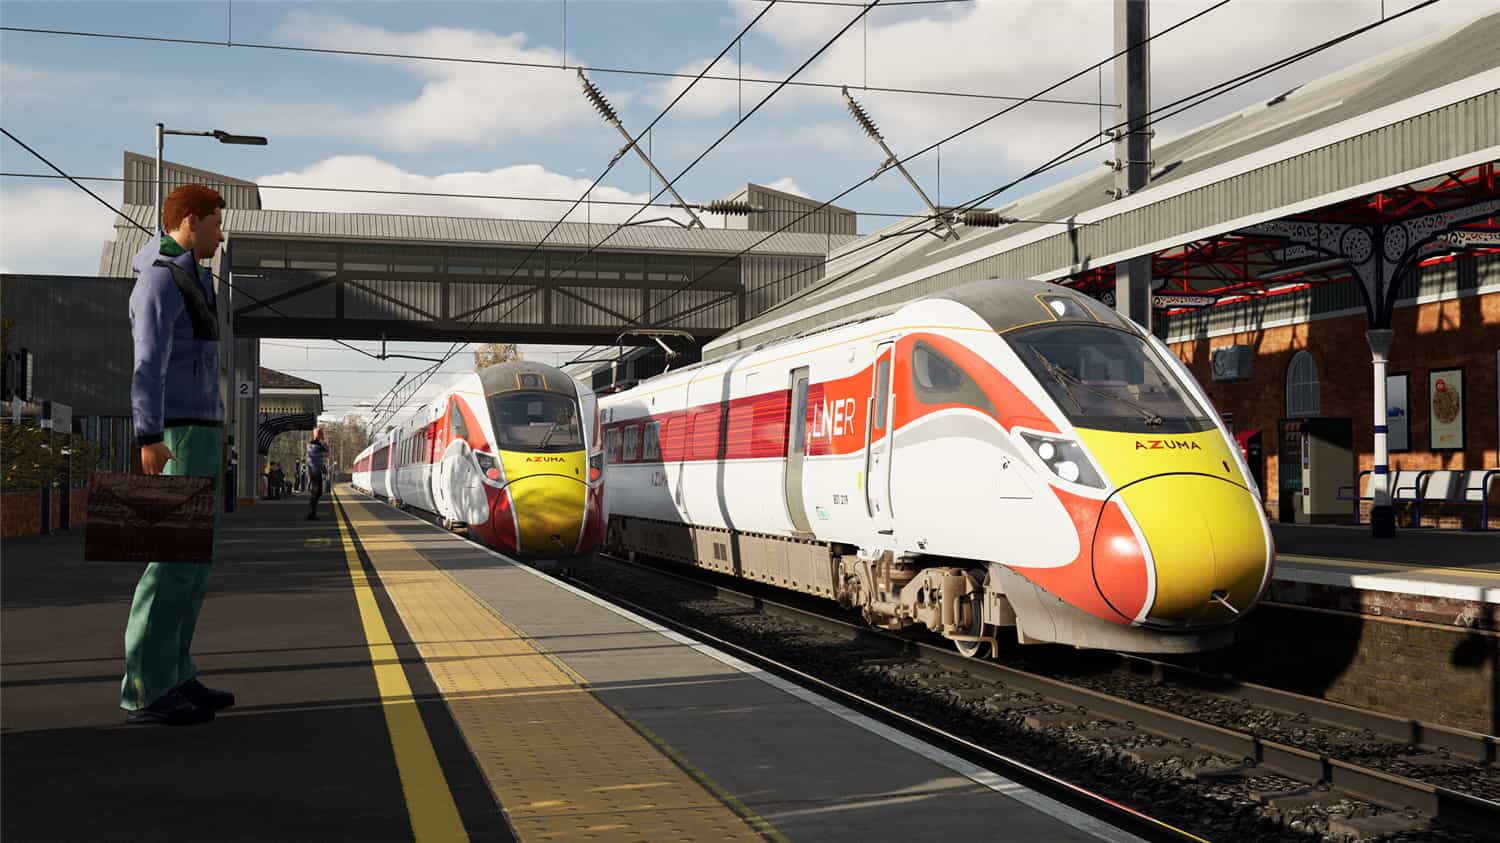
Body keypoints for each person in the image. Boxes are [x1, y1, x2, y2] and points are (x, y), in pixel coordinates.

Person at [122, 184, 235, 727]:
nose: (221, 234)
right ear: (190, 221)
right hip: (177, 435)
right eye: (215, 224)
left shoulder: (194, 277)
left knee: (194, 564)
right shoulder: (160, 279)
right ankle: (145, 688)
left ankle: (175, 671)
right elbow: (148, 361)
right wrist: (148, 436)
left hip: (202, 431)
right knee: (169, 561)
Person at [306, 427, 329, 520]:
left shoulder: (315, 444)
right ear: (318, 434)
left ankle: (312, 513)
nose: (323, 435)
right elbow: (326, 450)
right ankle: (311, 514)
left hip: (315, 469)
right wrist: (322, 440)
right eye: (321, 433)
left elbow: (321, 457)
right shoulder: (314, 444)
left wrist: (323, 467)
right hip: (314, 470)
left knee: (317, 492)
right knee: (317, 491)